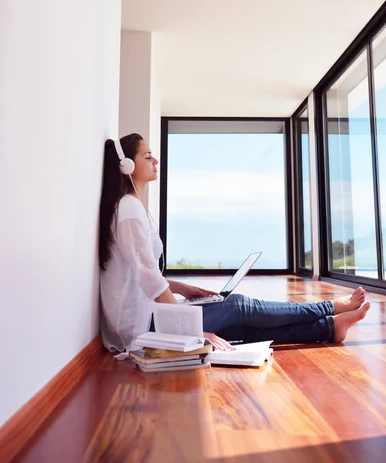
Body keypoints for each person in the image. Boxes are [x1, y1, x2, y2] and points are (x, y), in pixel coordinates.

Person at [99, 133, 370, 355]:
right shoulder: (129, 209)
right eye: (147, 156)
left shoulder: (130, 208)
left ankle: (329, 328)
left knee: (242, 329)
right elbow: (149, 279)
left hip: (150, 316)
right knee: (238, 307)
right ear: (128, 166)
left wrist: (186, 289)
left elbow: (145, 275)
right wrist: (192, 333)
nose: (155, 159)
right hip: (143, 326)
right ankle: (330, 308)